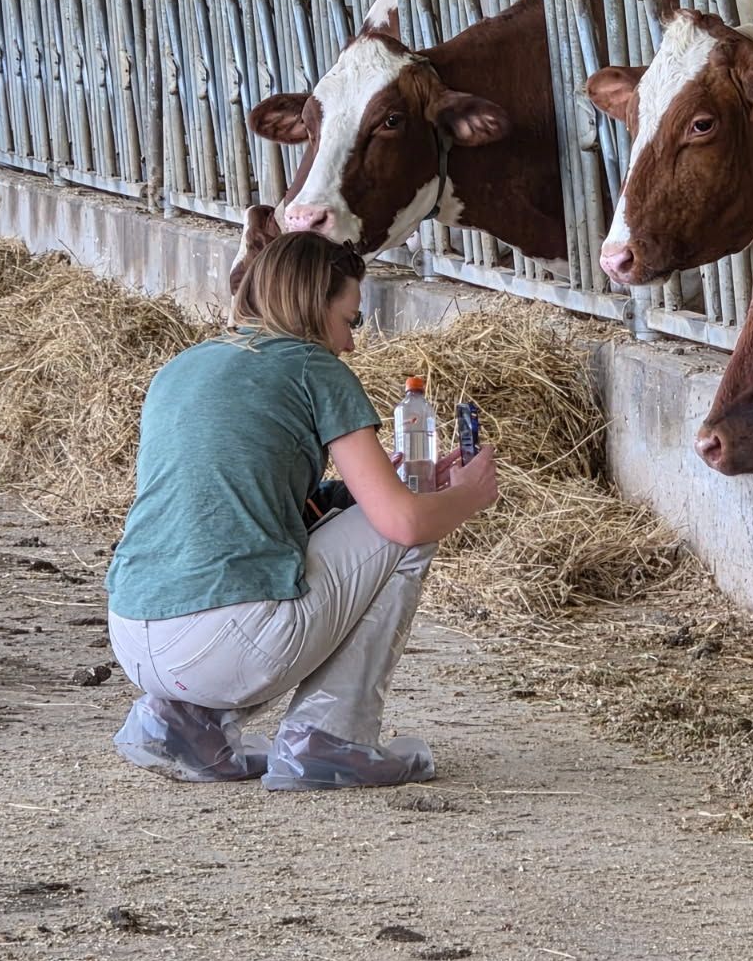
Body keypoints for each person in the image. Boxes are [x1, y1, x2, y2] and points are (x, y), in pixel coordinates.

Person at [105, 232, 498, 790]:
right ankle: (331, 740)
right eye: (350, 321)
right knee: (418, 530)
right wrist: (465, 496)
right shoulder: (316, 368)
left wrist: (387, 487)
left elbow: (254, 503)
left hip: (132, 635)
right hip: (223, 647)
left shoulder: (187, 364)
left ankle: (181, 725)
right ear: (315, 310)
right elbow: (402, 523)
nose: (352, 344)